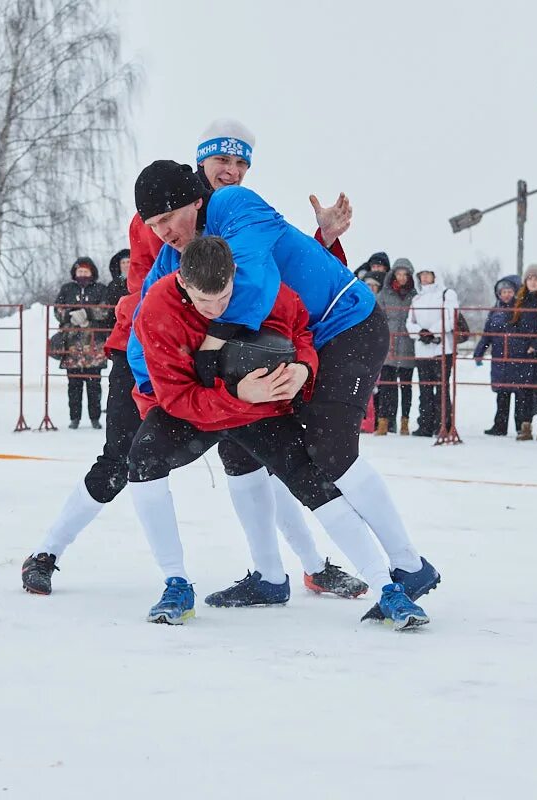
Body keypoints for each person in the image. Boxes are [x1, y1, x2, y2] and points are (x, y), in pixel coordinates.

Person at [22, 122, 364, 603]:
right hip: (153, 351)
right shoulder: (166, 211)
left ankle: (309, 567)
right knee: (122, 461)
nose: (233, 170)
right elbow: (149, 292)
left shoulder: (232, 212)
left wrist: (323, 239)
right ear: (200, 164)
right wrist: (161, 369)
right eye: (223, 160)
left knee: (263, 456)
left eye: (242, 163)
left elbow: (278, 267)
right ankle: (46, 553)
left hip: (224, 351)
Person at [130, 162, 438, 621]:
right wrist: (156, 388)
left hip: (345, 325)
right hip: (293, 339)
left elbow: (254, 280)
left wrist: (216, 355)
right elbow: (146, 326)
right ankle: (269, 576)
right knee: (241, 453)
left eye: (168, 218)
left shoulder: (232, 204)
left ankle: (409, 566)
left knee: (328, 449)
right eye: (153, 225)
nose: (163, 232)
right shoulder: (174, 261)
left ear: (196, 200)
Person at [54, 257, 109, 429]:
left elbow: (106, 310)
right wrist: (70, 314)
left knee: (94, 385)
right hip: (72, 345)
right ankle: (74, 418)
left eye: (86, 271)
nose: (82, 274)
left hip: (93, 345)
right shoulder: (67, 289)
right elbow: (57, 309)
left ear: (92, 272)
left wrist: (87, 313)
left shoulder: (100, 289)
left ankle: (95, 418)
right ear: (74, 272)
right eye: (80, 271)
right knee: (74, 384)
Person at [504, 264, 537, 441]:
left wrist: (536, 344)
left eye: (536, 279)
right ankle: (525, 426)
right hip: (523, 354)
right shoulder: (519, 301)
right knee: (523, 392)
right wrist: (522, 344)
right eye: (530, 279)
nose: (533, 282)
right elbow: (512, 325)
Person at [405, 267, 459, 437]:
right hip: (422, 349)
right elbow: (409, 322)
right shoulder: (417, 298)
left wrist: (433, 332)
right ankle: (425, 424)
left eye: (428, 274)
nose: (425, 278)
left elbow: (451, 318)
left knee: (442, 388)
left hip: (441, 348)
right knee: (425, 389)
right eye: (422, 275)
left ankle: (443, 424)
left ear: (436, 275)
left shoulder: (447, 294)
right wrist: (420, 332)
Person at [473, 274, 521, 436]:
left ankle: (521, 427)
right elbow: (487, 334)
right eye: (503, 292)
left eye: (509, 291)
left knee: (520, 395)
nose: (506, 295)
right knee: (502, 395)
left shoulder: (520, 310)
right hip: (500, 359)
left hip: (517, 358)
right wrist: (479, 352)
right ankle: (500, 426)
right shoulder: (495, 311)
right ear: (499, 294)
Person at [374, 257, 416, 435]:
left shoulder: (414, 296)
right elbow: (377, 320)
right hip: (388, 347)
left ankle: (405, 421)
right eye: (398, 273)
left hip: (408, 346)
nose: (401, 277)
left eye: (405, 274)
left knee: (406, 387)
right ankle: (384, 422)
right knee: (386, 386)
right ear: (393, 274)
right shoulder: (383, 295)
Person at [102, 248, 130, 330]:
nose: (126, 265)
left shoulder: (140, 281)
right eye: (123, 262)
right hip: (116, 321)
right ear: (119, 265)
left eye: (128, 262)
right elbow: (109, 302)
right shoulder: (113, 284)